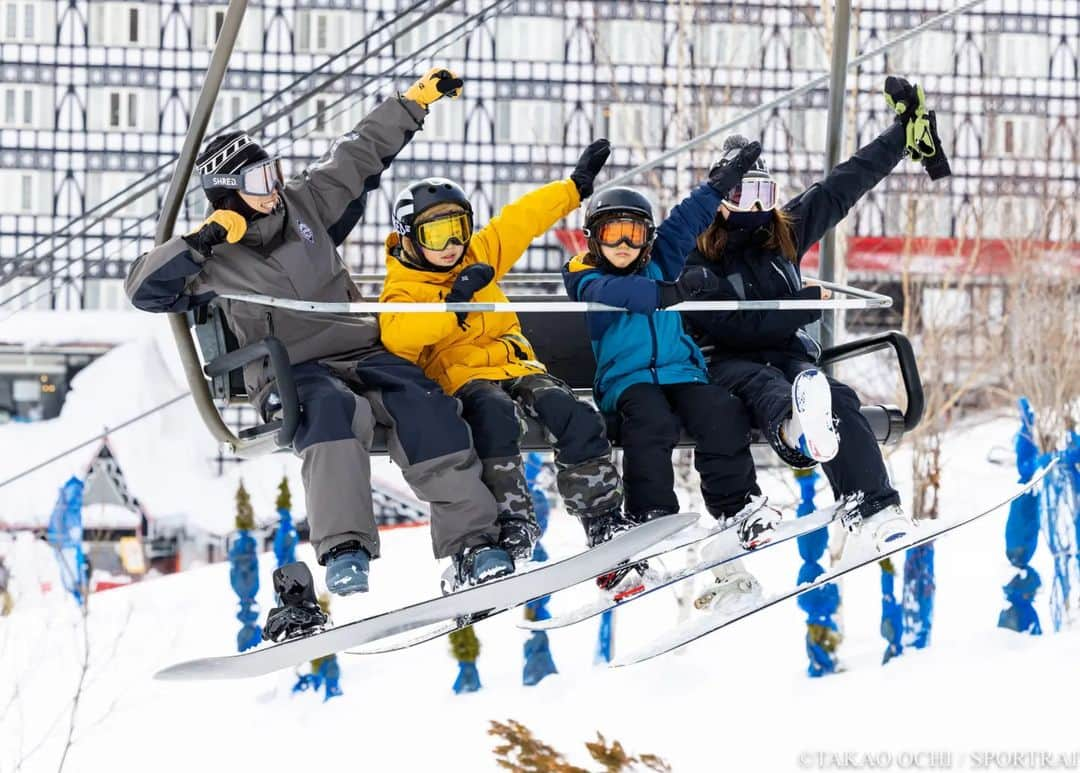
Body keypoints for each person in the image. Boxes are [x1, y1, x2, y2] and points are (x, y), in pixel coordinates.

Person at [125, 69, 515, 639]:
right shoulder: (213, 259)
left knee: (422, 402)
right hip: (291, 371)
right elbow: (144, 289)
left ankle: (470, 545)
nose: (274, 186)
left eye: (273, 172)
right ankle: (345, 548)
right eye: (259, 179)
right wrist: (203, 240)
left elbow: (358, 155)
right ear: (228, 194)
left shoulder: (306, 206)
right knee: (333, 411)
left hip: (361, 348)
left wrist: (413, 102)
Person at [680, 76, 949, 558]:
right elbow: (729, 326)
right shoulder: (695, 256)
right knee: (772, 389)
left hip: (787, 357)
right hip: (723, 363)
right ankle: (796, 429)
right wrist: (805, 304)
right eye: (744, 195)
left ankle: (875, 507)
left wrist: (901, 132)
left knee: (836, 396)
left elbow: (844, 184)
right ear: (720, 199)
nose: (758, 207)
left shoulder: (781, 233)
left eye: (765, 193)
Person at [378, 141, 640, 592]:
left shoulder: (478, 254)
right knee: (494, 416)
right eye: (437, 236)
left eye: (459, 229)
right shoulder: (404, 288)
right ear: (409, 237)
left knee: (571, 411)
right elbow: (397, 336)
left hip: (517, 365)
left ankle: (602, 518)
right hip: (465, 380)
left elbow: (519, 220)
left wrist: (572, 190)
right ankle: (513, 521)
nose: (452, 246)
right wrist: (451, 304)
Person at [560, 143, 785, 576]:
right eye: (612, 235)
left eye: (634, 234)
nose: (624, 245)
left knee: (721, 410)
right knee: (651, 421)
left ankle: (735, 505)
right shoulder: (584, 274)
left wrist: (718, 188)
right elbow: (622, 295)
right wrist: (672, 292)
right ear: (594, 239)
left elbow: (686, 220)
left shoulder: (660, 262)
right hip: (627, 380)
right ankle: (651, 513)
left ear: (648, 238)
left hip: (683, 371)